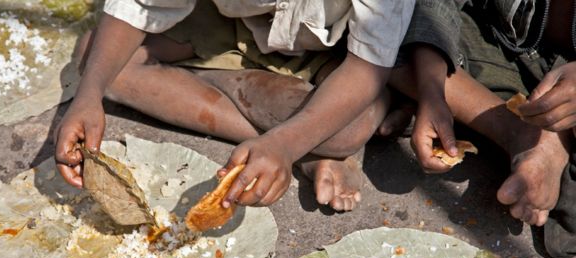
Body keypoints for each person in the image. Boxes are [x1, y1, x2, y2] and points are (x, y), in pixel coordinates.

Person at [54, 0, 415, 212]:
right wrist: (88, 96)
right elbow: (139, 7)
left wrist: (284, 145)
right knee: (95, 60)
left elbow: (365, 68)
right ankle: (303, 142)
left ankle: (302, 139)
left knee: (345, 133)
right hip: (230, 24)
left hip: (330, 52)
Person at [389, 0, 576, 258]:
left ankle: (553, 135)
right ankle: (518, 131)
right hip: (493, 39)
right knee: (378, 26)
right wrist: (432, 92)